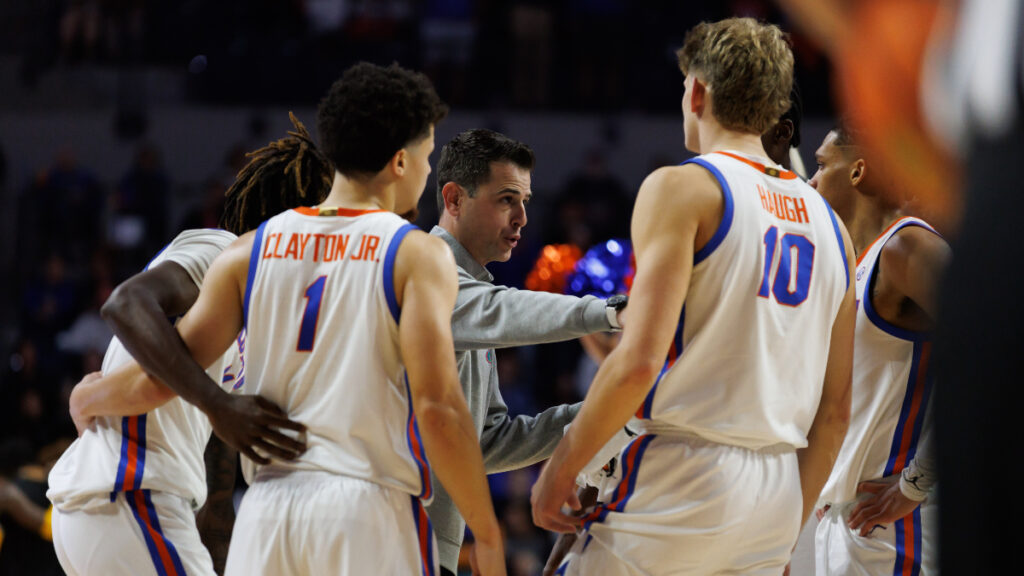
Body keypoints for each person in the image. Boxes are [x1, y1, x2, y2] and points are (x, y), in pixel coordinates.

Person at [134, 62, 505, 576]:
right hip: (366, 508)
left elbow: (162, 375)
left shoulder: (249, 251)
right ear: (400, 161)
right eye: (426, 156)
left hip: (266, 515)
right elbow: (439, 408)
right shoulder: (416, 254)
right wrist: (486, 532)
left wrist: (93, 395)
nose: (427, 171)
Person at [531, 17, 855, 576]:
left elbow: (637, 361)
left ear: (698, 91)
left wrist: (561, 468)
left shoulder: (682, 187)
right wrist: (785, 534)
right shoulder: (832, 226)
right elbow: (834, 415)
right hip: (776, 490)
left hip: (682, 472)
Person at [46, 112, 329, 576]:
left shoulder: (257, 311)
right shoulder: (218, 250)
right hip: (130, 499)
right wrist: (217, 403)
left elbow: (218, 487)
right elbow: (125, 303)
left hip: (133, 511)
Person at [429, 128, 628, 576]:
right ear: (454, 198)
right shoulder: (426, 267)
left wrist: (606, 414)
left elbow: (485, 442)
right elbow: (504, 310)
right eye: (506, 200)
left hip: (428, 546)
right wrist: (610, 311)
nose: (522, 217)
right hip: (391, 536)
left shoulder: (474, 291)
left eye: (525, 202)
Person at [809, 122, 949, 575]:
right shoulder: (855, 264)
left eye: (821, 165)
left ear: (858, 171)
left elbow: (998, 353)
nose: (811, 180)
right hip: (846, 523)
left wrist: (916, 483)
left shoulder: (907, 247)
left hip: (898, 526)